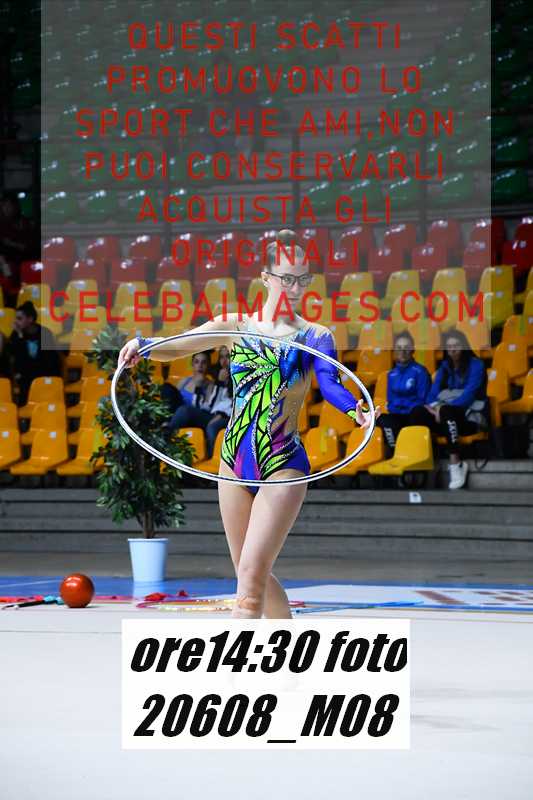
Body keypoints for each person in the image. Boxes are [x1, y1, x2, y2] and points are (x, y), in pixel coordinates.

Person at [118, 229, 380, 620]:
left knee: (248, 592)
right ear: (265, 277)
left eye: (303, 279)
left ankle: (239, 657)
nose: (295, 288)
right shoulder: (234, 326)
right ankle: (286, 643)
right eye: (286, 278)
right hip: (233, 461)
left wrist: (354, 410)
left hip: (283, 462)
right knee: (249, 573)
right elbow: (180, 345)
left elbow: (330, 383)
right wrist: (142, 344)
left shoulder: (315, 336)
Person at [409, 328, 488, 490]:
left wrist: (443, 409)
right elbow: (431, 396)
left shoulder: (477, 365)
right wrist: (437, 408)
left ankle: (456, 463)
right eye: (449, 346)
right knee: (418, 412)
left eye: (456, 345)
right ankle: (424, 460)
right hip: (445, 418)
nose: (452, 349)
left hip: (469, 418)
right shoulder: (444, 367)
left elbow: (469, 395)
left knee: (447, 411)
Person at [377, 331, 432, 454]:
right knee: (382, 419)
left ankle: (414, 453)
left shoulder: (420, 371)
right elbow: (390, 401)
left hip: (414, 415)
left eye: (406, 348)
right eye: (399, 348)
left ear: (412, 350)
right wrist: (399, 405)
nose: (402, 351)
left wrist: (401, 404)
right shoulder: (391, 374)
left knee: (418, 412)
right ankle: (395, 452)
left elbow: (423, 400)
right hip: (398, 414)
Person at [7, 301, 62, 405]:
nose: (16, 322)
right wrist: (20, 337)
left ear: (30, 319)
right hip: (26, 376)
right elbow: (16, 358)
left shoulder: (45, 333)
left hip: (44, 374)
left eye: (19, 318)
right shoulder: (16, 333)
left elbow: (49, 362)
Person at [0, 191, 38, 305]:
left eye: (9, 205)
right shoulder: (1, 224)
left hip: (23, 261)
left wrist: (12, 244)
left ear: (15, 206)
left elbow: (28, 246)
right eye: (4, 206)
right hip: (5, 261)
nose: (6, 209)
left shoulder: (25, 223)